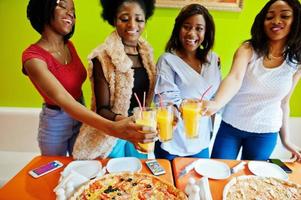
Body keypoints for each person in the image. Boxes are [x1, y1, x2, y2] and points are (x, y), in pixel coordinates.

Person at [22, 0, 156, 156]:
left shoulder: (68, 46)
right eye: (63, 6)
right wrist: (115, 127)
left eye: (73, 10)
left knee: (80, 165)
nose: (70, 13)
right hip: (56, 120)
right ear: (44, 8)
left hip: (81, 116)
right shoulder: (33, 58)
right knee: (54, 169)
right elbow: (63, 98)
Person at [203, 0, 301, 161]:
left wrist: (286, 140)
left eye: (285, 16)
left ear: (296, 21)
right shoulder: (248, 49)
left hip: (266, 132)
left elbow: (284, 102)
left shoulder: (296, 61)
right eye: (270, 17)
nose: (276, 21)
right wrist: (216, 103)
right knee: (219, 171)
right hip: (231, 126)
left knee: (252, 179)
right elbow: (235, 78)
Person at [72, 0, 157, 159]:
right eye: (124, 19)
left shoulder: (147, 55)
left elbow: (147, 102)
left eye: (139, 19)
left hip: (139, 129)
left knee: (139, 176)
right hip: (112, 132)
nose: (132, 25)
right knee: (114, 178)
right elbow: (102, 109)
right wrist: (126, 123)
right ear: (113, 19)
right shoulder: (102, 57)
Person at [153, 4, 221, 160]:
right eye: (187, 27)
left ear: (206, 32)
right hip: (173, 138)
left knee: (199, 181)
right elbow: (166, 99)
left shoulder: (213, 59)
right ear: (178, 29)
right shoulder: (167, 59)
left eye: (199, 28)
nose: (192, 33)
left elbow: (215, 97)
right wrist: (182, 108)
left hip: (201, 138)